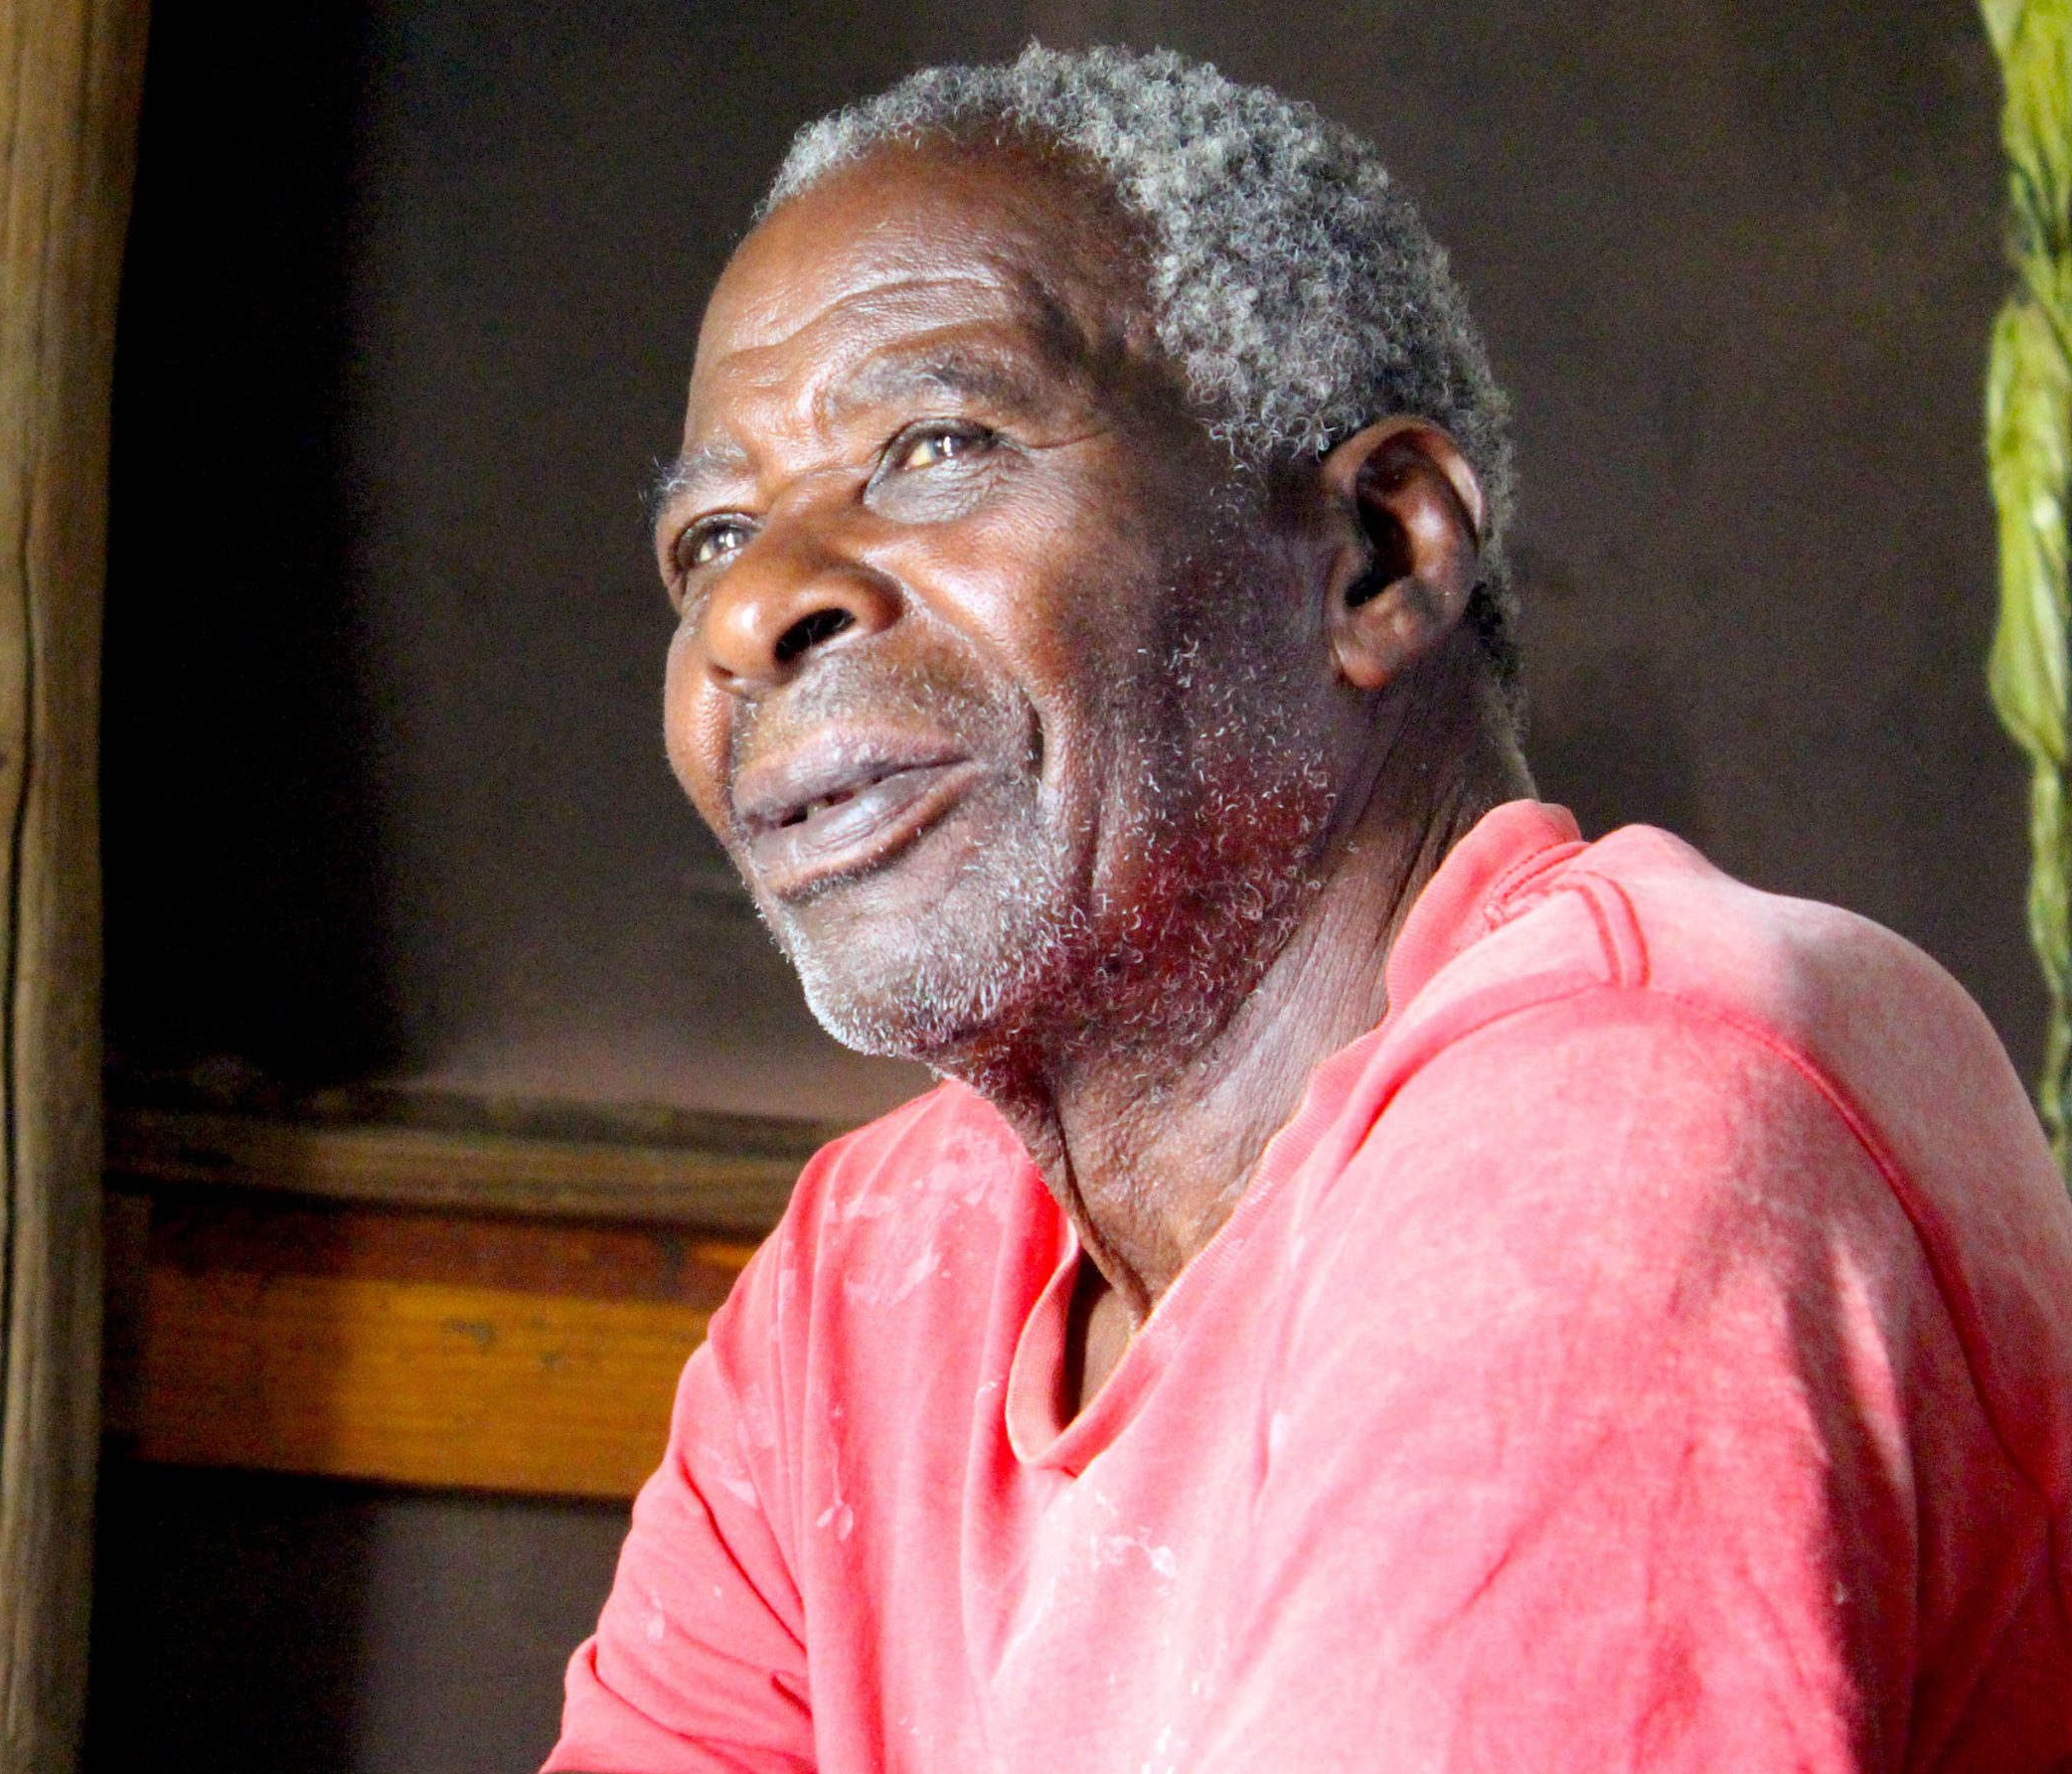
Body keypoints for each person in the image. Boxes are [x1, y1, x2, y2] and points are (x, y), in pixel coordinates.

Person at [547, 46, 2072, 1773]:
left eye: (935, 445)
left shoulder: (1626, 1122)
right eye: (711, 540)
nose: (756, 609)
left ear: (1378, 553)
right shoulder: (873, 1272)